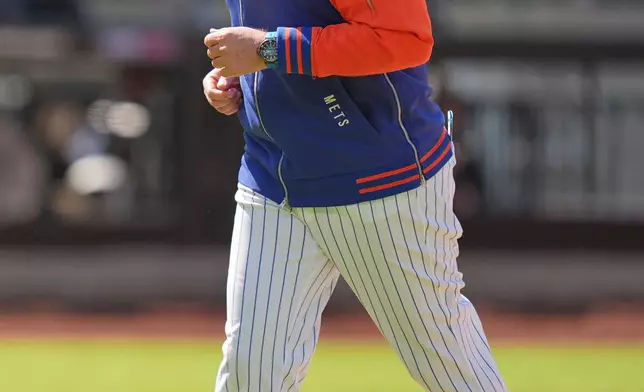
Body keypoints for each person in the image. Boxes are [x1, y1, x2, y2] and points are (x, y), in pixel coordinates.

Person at [202, 1, 507, 391]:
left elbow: (406, 38)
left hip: (380, 178)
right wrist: (237, 78)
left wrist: (268, 49)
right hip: (273, 175)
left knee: (447, 365)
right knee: (249, 374)